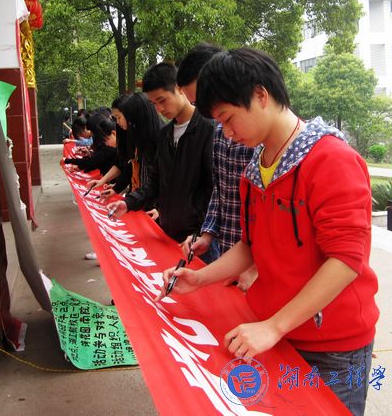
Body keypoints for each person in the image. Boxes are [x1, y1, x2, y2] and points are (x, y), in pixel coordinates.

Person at [157, 48, 379, 416]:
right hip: (275, 332)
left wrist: (274, 326)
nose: (228, 135)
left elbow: (345, 260)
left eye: (229, 119)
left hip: (331, 347)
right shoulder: (256, 169)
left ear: (261, 95)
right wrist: (200, 278)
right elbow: (251, 245)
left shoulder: (331, 160)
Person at [108, 62, 215, 254]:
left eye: (162, 100)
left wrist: (203, 232)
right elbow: (155, 184)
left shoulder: (209, 130)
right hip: (168, 233)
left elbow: (215, 190)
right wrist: (128, 203)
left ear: (179, 88)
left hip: (200, 240)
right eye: (153, 104)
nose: (159, 109)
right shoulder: (164, 134)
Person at [177, 44, 256, 276]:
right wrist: (208, 233)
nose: (202, 110)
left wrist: (256, 267)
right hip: (230, 255)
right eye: (196, 103)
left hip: (254, 266)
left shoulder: (259, 139)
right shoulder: (220, 132)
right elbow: (219, 190)